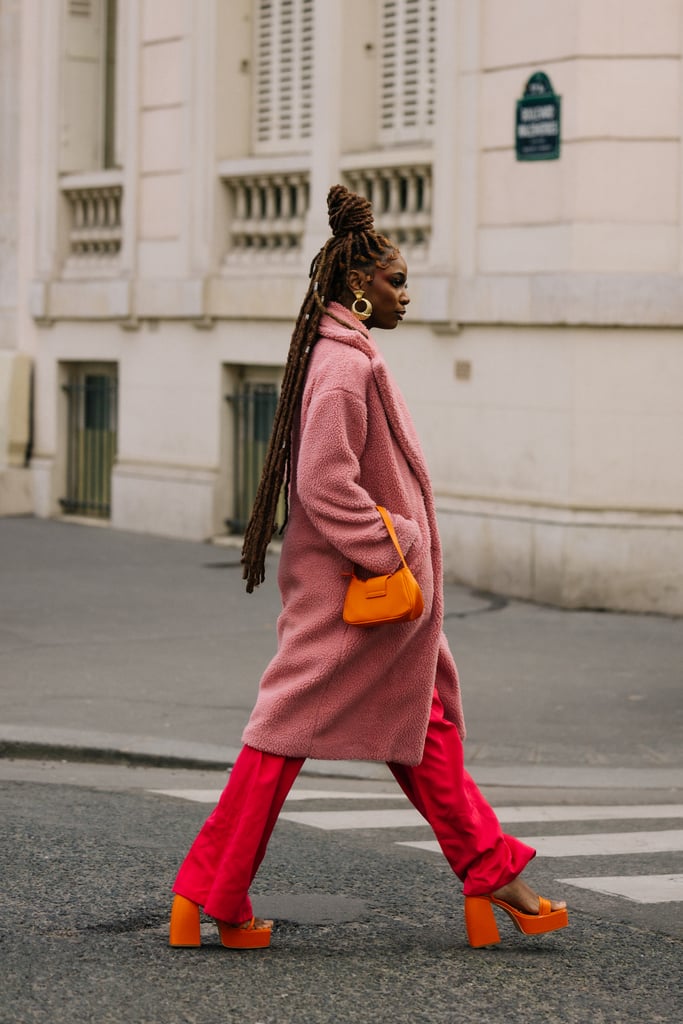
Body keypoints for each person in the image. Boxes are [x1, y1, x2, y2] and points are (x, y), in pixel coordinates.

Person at [169, 185, 568, 950]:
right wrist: (398, 548)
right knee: (284, 737)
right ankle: (210, 889)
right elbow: (322, 482)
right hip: (357, 592)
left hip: (377, 596)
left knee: (423, 724)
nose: (406, 295)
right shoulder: (345, 367)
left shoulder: (345, 355)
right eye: (397, 281)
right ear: (361, 283)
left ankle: (489, 872)